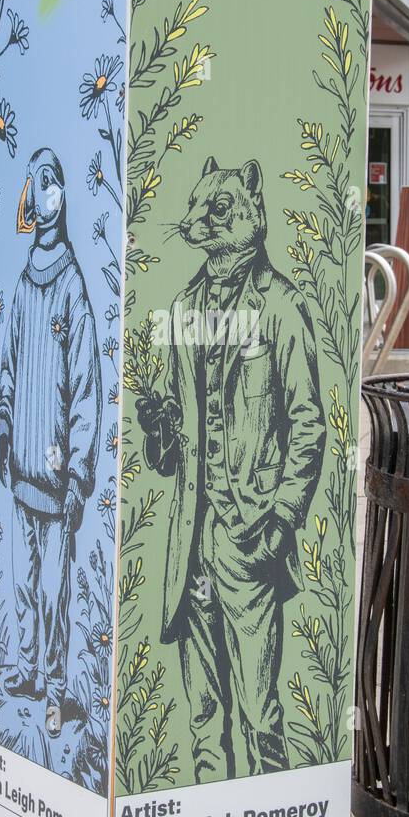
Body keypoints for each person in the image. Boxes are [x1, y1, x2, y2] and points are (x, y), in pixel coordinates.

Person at [137, 156, 325, 781]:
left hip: (250, 538)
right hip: (189, 544)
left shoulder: (282, 306)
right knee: (201, 710)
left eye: (219, 210)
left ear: (252, 211)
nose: (201, 220)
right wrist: (154, 423)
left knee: (260, 707)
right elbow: (166, 459)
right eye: (199, 208)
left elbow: (308, 423)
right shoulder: (183, 305)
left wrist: (281, 518)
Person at [0, 148, 101, 739]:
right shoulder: (21, 281)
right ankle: (29, 670)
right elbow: (8, 368)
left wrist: (80, 470)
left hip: (59, 477)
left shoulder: (71, 286)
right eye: (36, 186)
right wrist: (6, 435)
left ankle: (58, 689)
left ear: (63, 197)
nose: (44, 196)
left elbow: (85, 385)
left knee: (57, 589)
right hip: (22, 469)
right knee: (23, 579)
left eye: (52, 184)